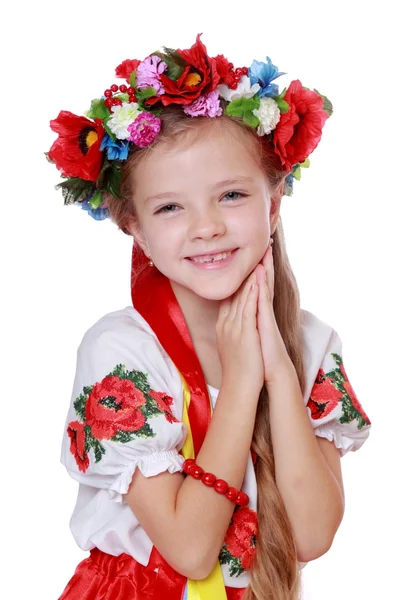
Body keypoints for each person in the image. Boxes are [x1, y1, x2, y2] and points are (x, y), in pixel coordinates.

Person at [48, 34, 371, 600]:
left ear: (272, 204)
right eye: (171, 206)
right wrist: (243, 383)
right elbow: (192, 551)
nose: (207, 227)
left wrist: (277, 368)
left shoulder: (311, 342)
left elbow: (314, 535)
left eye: (231, 196)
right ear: (136, 230)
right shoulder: (123, 351)